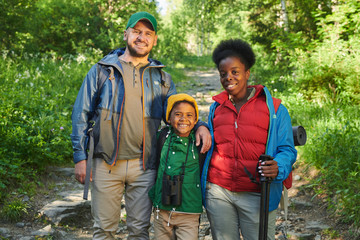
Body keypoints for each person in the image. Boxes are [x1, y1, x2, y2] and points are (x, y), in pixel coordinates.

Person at [71, 11, 211, 240]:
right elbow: (81, 114)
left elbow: (180, 114)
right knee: (104, 230)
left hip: (145, 166)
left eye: (148, 33)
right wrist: (80, 157)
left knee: (139, 231)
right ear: (126, 34)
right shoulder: (102, 71)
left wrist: (201, 125)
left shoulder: (162, 78)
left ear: (154, 40)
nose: (141, 37)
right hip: (105, 162)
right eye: (136, 31)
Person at [200, 39, 297, 240]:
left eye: (235, 72)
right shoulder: (216, 109)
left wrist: (278, 166)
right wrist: (200, 126)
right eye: (223, 74)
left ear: (247, 73)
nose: (229, 77)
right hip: (219, 192)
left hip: (258, 194)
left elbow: (287, 149)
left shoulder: (275, 110)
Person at [149, 93, 205, 240]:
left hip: (189, 212)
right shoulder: (162, 137)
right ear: (168, 118)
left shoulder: (199, 142)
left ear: (195, 120)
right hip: (162, 211)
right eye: (178, 114)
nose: (183, 119)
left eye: (189, 115)